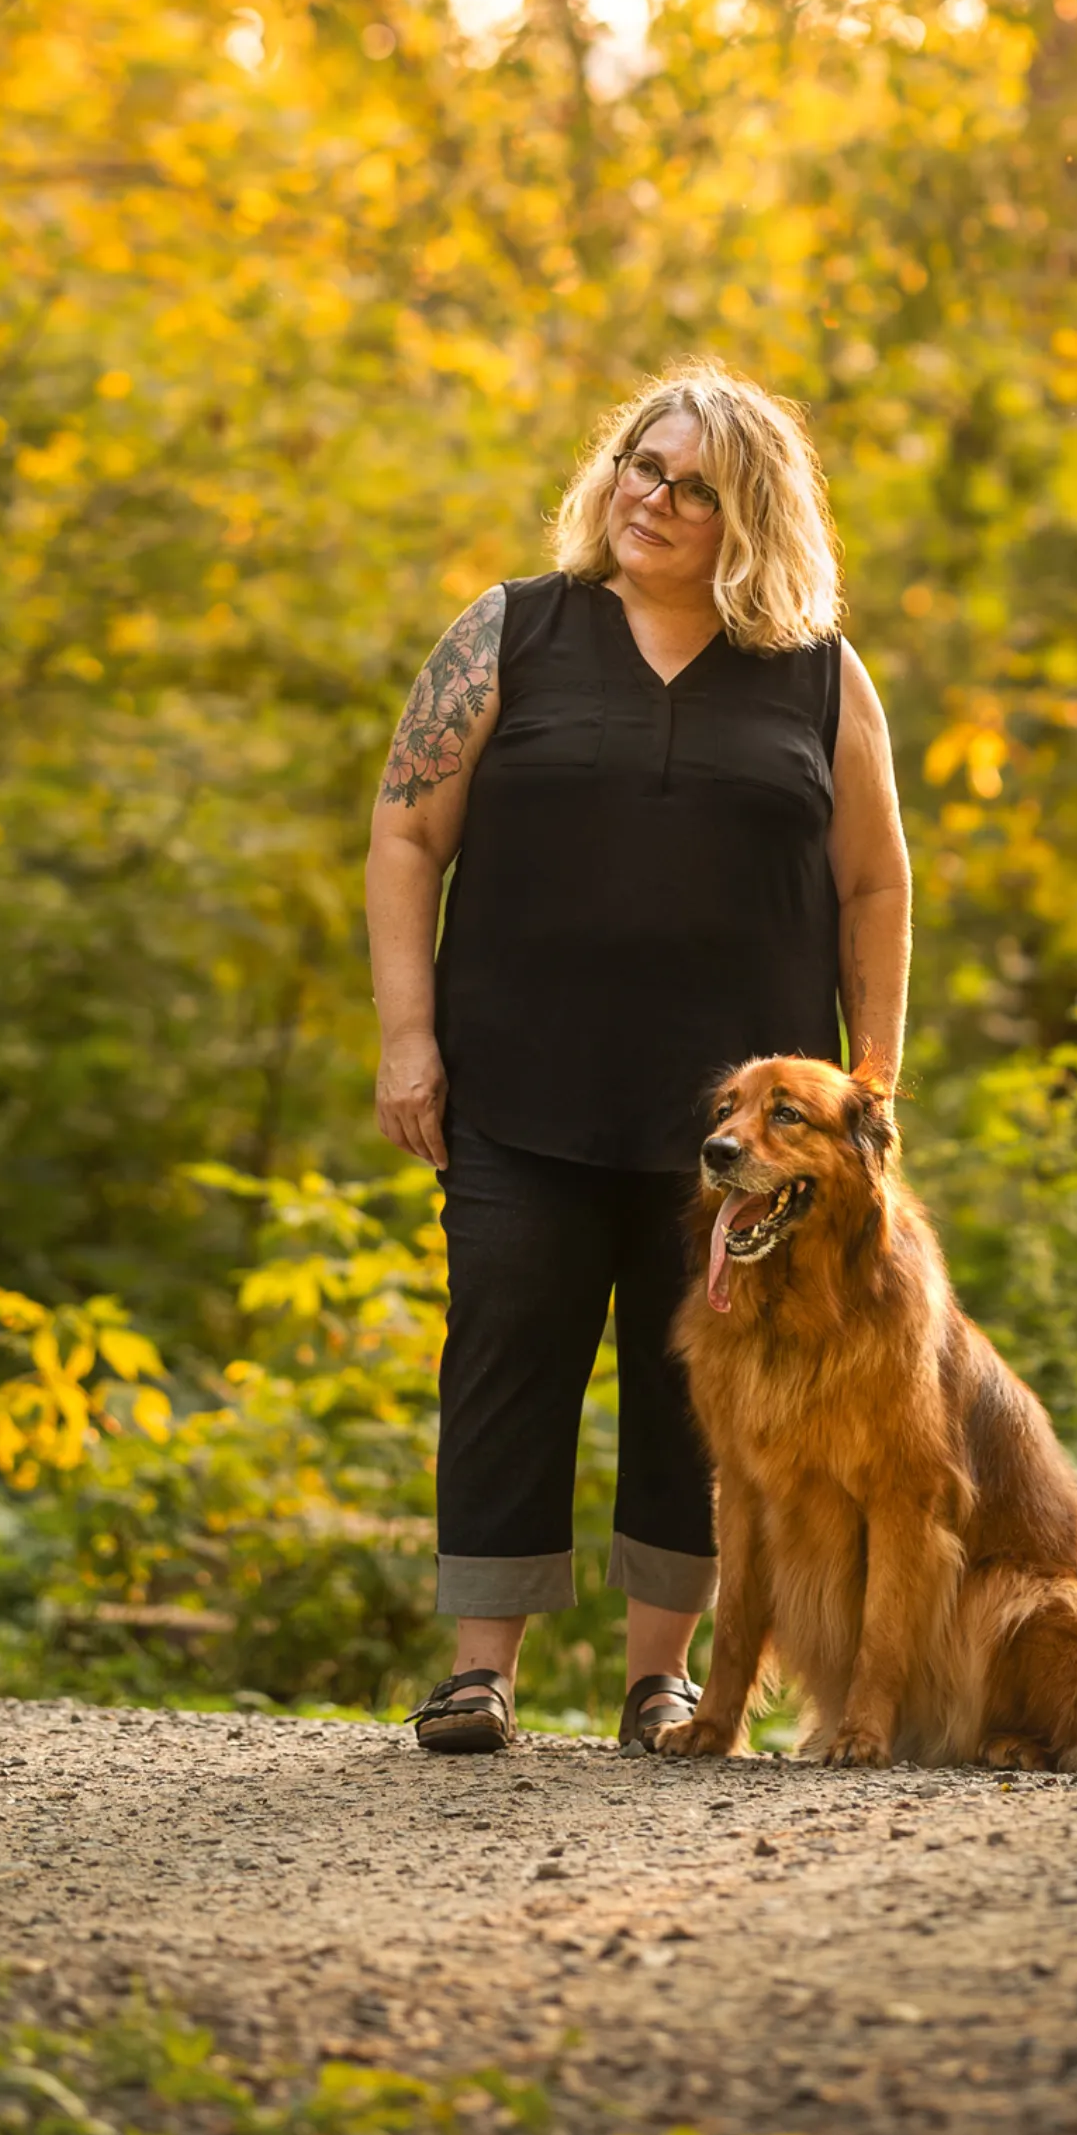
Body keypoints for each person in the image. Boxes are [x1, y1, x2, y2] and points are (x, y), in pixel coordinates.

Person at [365, 364, 911, 1754]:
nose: (650, 500)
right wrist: (408, 1037)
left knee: (701, 1389)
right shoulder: (511, 632)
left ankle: (660, 1679)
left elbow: (874, 886)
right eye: (639, 467)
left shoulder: (822, 675)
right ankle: (480, 1670)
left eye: (693, 489)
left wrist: (873, 1083)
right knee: (504, 1348)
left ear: (754, 521)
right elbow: (405, 837)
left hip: (742, 1140)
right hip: (518, 1087)